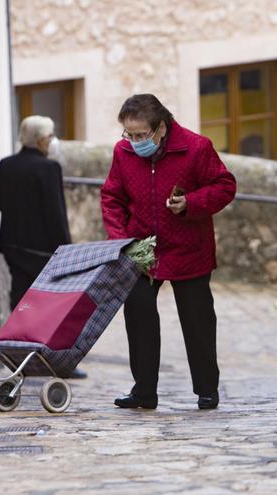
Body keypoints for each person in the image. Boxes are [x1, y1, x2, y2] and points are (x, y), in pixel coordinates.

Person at [101, 94, 236, 410]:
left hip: (190, 248)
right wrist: (121, 239)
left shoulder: (196, 147)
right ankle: (144, 391)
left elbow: (225, 186)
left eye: (141, 135)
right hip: (142, 249)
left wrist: (191, 203)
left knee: (197, 319)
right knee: (138, 312)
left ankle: (207, 389)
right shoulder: (123, 153)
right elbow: (111, 198)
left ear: (161, 128)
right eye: (128, 134)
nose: (134, 141)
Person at [0, 116, 84, 379]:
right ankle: (54, 358)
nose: (52, 141)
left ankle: (19, 355)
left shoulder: (6, 166)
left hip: (14, 246)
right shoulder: (48, 168)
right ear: (42, 140)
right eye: (51, 136)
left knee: (21, 300)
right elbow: (56, 213)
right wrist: (67, 250)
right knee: (51, 304)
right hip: (43, 250)